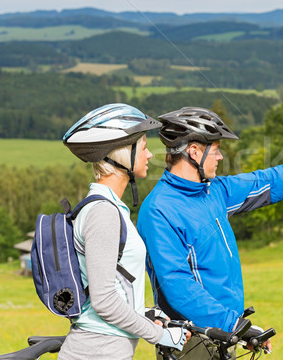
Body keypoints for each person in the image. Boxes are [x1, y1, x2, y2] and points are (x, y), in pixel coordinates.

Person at [137, 106, 283, 359]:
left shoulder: (213, 192)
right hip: (189, 338)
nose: (220, 157)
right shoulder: (160, 209)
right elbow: (176, 284)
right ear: (194, 151)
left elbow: (263, 182)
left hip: (222, 332)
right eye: (216, 150)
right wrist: (234, 325)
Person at [58, 103, 189, 360]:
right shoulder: (103, 213)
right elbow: (104, 302)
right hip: (96, 352)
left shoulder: (111, 208)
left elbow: (117, 286)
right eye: (143, 147)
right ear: (121, 154)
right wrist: (160, 335)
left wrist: (144, 313)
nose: (150, 155)